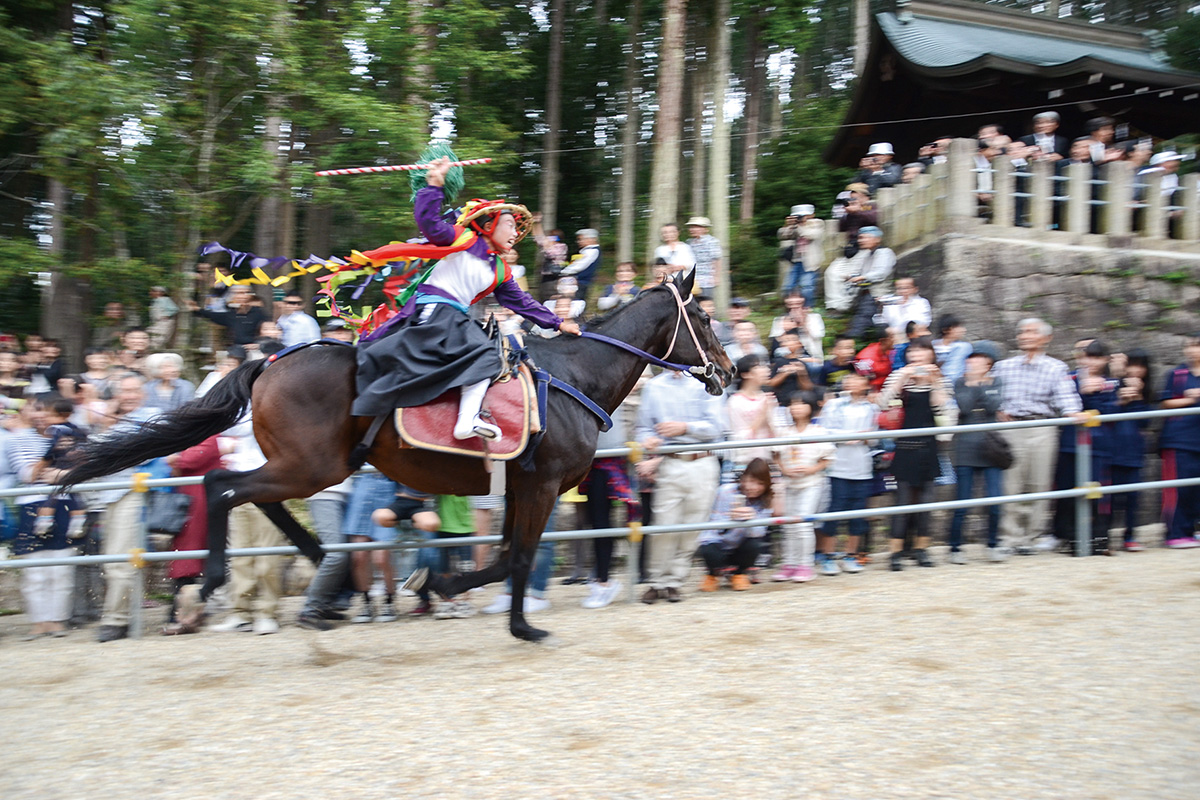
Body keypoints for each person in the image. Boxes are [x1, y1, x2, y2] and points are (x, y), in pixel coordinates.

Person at [352, 157, 579, 441]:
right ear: (488, 224)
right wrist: (434, 184)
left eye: (517, 228)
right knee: (486, 353)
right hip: (435, 312)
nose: (515, 232)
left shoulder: (500, 269)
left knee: (492, 352)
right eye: (509, 224)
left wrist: (558, 324)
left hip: (455, 317)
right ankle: (467, 420)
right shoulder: (462, 239)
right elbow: (430, 223)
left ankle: (464, 417)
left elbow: (522, 302)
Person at [992, 318, 1084, 557]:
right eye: (1022, 331)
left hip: (1043, 426)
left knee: (1039, 483)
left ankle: (1032, 536)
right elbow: (989, 392)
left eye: (1031, 332)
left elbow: (1066, 397)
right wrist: (995, 408)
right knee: (1010, 484)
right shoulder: (1003, 366)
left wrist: (1073, 412)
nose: (1024, 336)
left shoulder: (1056, 367)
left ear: (1046, 338)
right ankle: (1008, 538)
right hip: (1011, 427)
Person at [634, 368, 724, 603]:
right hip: (670, 461)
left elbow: (716, 427)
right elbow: (643, 426)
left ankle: (675, 581)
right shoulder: (654, 386)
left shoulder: (709, 382)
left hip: (703, 461)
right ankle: (656, 581)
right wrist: (647, 439)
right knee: (663, 524)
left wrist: (686, 427)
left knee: (692, 526)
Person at [95, 374, 162, 642]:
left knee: (122, 558)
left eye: (135, 390)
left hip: (134, 491)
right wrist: (106, 422)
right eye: (124, 391)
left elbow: (142, 448)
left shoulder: (152, 415)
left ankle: (116, 620)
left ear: (143, 393)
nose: (130, 395)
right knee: (110, 559)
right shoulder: (107, 420)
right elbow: (95, 450)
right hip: (106, 495)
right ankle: (120, 614)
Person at [877, 338, 954, 571]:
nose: (917, 356)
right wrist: (902, 377)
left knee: (927, 501)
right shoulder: (899, 376)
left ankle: (921, 549)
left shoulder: (939, 378)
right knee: (901, 502)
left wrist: (935, 382)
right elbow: (882, 403)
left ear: (931, 354)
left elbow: (946, 412)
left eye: (922, 351)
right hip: (904, 446)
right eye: (913, 351)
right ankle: (895, 552)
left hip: (929, 446)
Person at [207, 408, 285, 635]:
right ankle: (241, 613)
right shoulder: (241, 407)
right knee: (240, 555)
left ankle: (267, 613)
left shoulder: (274, 405)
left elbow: (239, 428)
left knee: (267, 556)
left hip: (269, 486)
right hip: (238, 484)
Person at [8, 399, 75, 639]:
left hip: (64, 503)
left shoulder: (69, 434)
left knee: (61, 569)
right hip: (30, 505)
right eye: (35, 410)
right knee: (34, 572)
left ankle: (57, 620)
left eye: (45, 410)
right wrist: (51, 460)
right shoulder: (18, 439)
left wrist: (61, 472)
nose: (41, 416)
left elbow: (76, 470)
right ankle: (38, 621)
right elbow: (28, 474)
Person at [947, 342, 1006, 563]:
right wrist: (975, 383)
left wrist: (980, 384)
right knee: (962, 501)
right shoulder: (960, 382)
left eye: (977, 358)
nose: (972, 361)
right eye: (971, 358)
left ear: (988, 362)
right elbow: (965, 407)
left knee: (994, 499)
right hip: (965, 447)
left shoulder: (997, 381)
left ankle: (993, 544)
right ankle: (955, 547)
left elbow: (993, 405)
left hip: (991, 448)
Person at [160, 435, 225, 635]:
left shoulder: (209, 438)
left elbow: (189, 459)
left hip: (197, 503)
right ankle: (189, 612)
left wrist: (176, 456)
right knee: (187, 559)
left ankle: (181, 615)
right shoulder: (205, 437)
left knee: (187, 559)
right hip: (190, 502)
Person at [817, 370, 877, 576]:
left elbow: (875, 437)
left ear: (866, 383)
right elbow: (824, 431)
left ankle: (851, 555)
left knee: (858, 513)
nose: (851, 381)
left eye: (858, 378)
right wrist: (848, 436)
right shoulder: (834, 404)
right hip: (838, 465)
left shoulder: (871, 407)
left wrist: (866, 437)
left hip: (862, 466)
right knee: (835, 510)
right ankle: (828, 556)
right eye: (850, 378)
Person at [774, 392, 835, 582]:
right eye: (793, 404)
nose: (796, 407)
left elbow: (828, 459)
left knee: (803, 524)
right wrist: (784, 470)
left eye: (801, 404)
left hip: (811, 483)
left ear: (810, 407)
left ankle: (805, 565)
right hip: (790, 483)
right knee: (789, 526)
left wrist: (811, 469)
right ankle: (789, 564)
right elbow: (775, 455)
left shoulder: (818, 432)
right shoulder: (784, 432)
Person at [696, 458, 780, 592]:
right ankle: (712, 574)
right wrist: (730, 519)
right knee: (708, 549)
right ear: (743, 479)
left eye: (759, 483)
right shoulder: (726, 491)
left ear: (766, 486)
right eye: (750, 481)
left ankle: (739, 574)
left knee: (754, 545)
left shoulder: (766, 500)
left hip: (741, 545)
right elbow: (713, 527)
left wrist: (752, 519)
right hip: (719, 541)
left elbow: (759, 534)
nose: (752, 487)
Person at [1158, 333, 1200, 549]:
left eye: (1197, 346)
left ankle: (1194, 530)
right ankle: (1175, 533)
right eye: (1190, 346)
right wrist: (1189, 399)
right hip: (1179, 439)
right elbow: (1164, 402)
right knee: (1178, 488)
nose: (1193, 350)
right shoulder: (1176, 374)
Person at [1109, 349, 1152, 551]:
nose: (1136, 370)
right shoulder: (1112, 385)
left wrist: (1139, 396)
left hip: (1134, 450)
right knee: (1108, 498)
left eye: (1141, 366)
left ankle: (1130, 536)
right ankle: (1105, 537)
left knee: (1133, 497)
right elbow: (1107, 414)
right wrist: (1122, 398)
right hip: (1111, 449)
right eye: (1132, 364)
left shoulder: (1146, 391)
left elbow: (1145, 421)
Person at [31, 397, 88, 542]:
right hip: (75, 465)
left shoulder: (58, 429)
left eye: (49, 414)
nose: (46, 417)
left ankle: (44, 521)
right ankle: (78, 521)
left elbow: (53, 449)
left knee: (53, 493)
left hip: (61, 465)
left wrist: (43, 462)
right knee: (72, 493)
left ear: (61, 415)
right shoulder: (77, 429)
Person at [726, 355, 778, 469]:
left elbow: (777, 433)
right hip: (744, 463)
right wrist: (762, 414)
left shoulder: (768, 399)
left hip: (768, 461)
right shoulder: (735, 401)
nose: (766, 370)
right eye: (759, 366)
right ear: (746, 374)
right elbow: (739, 437)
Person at [188, 284, 268, 346]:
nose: (241, 296)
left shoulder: (258, 313)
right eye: (238, 293)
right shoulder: (231, 314)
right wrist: (196, 309)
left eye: (245, 293)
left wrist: (258, 344)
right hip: (235, 350)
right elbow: (213, 315)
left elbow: (268, 329)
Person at [779, 204, 825, 307]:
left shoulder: (817, 223)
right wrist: (787, 225)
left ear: (812, 215)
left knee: (807, 286)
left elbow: (811, 235)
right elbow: (782, 235)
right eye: (797, 216)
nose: (800, 218)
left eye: (802, 216)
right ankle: (792, 309)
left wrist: (800, 225)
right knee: (788, 287)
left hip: (811, 262)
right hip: (797, 261)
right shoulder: (795, 226)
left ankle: (808, 309)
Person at [768, 291, 825, 362]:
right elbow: (775, 343)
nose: (795, 307)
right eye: (791, 304)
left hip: (813, 357)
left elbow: (817, 335)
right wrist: (785, 330)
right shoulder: (779, 320)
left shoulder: (815, 318)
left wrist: (803, 323)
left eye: (798, 304)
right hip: (787, 358)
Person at [559, 228, 602, 302]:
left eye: (581, 239)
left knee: (575, 302)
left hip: (580, 282)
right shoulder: (588, 251)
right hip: (580, 282)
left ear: (592, 239)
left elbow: (579, 266)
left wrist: (562, 272)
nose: (579, 242)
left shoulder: (592, 251)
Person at [686, 216, 721, 296]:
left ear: (705, 229)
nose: (692, 229)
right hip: (691, 280)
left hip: (706, 280)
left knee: (705, 302)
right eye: (691, 227)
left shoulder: (712, 241)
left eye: (696, 227)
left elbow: (716, 260)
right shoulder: (689, 242)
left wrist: (716, 277)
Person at [933, 314, 973, 384]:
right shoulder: (932, 345)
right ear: (946, 329)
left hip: (957, 387)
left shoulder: (964, 347)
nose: (963, 330)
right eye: (958, 327)